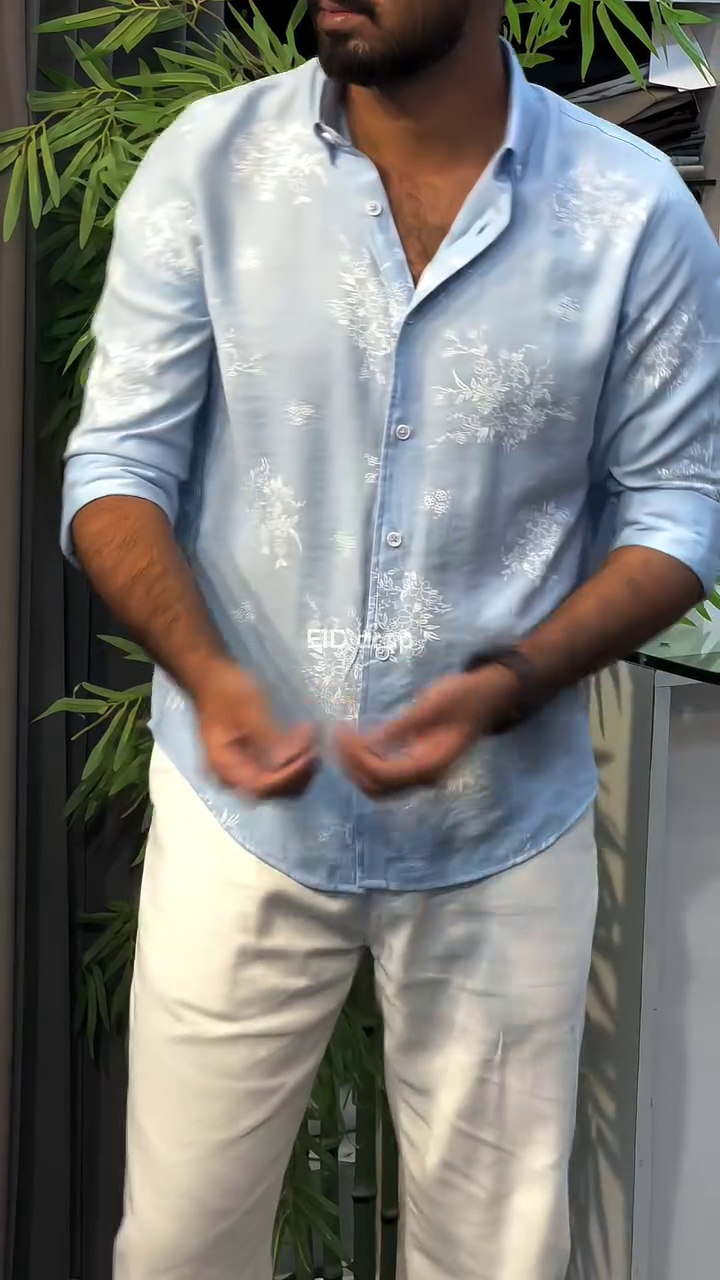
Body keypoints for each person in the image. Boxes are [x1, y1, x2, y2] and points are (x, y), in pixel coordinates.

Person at [61, 0, 720, 1275]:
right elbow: (116, 471)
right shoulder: (208, 166)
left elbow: (680, 512)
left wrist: (513, 680)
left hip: (501, 831)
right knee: (179, 1248)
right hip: (238, 817)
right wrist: (211, 675)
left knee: (495, 1256)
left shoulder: (635, 212)